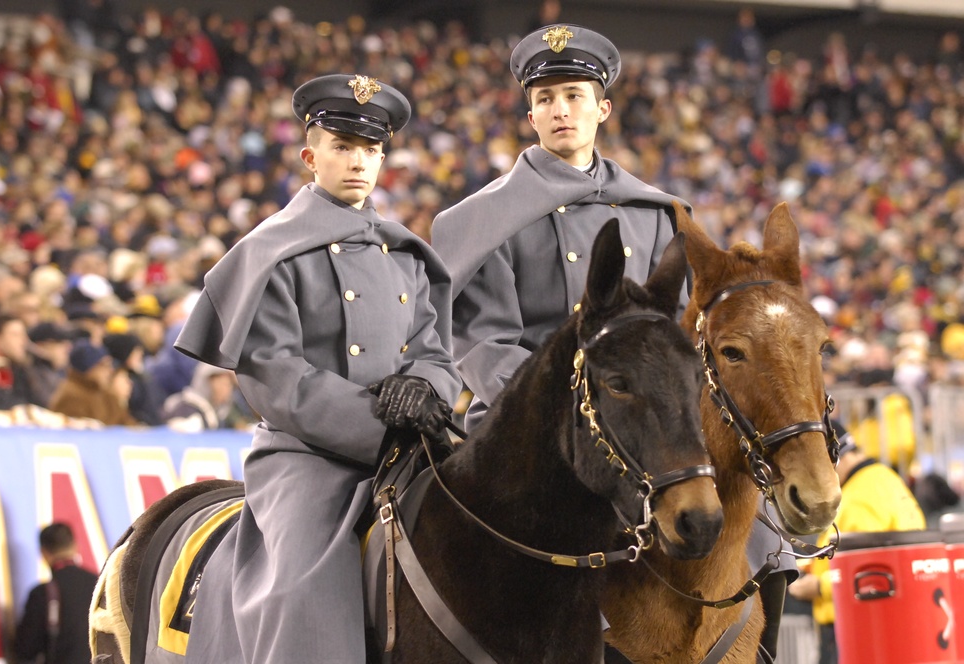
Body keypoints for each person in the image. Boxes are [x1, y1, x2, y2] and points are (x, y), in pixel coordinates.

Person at [431, 24, 793, 660]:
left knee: (761, 530)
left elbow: (680, 337)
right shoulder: (482, 220)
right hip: (535, 422)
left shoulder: (655, 211)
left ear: (602, 107)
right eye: (545, 99)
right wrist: (571, 403)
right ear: (530, 113)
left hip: (646, 414)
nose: (560, 110)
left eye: (573, 95)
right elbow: (485, 343)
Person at [174, 73, 461, 663]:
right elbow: (276, 378)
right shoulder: (271, 250)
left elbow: (436, 352)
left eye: (370, 149)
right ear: (311, 156)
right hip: (309, 456)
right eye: (342, 146)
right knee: (304, 588)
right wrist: (382, 425)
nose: (358, 161)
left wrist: (424, 389)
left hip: (415, 445)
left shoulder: (405, 253)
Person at [788, 422, 925, 664]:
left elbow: (868, 569)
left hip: (856, 623)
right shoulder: (884, 478)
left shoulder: (861, 496)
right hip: (888, 619)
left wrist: (819, 586)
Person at [14, 522, 98, 664]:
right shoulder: (99, 584)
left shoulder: (41, 594)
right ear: (75, 546)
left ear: (44, 553)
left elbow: (26, 649)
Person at [49, 338, 137, 426]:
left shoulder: (106, 395)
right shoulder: (71, 397)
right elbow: (74, 433)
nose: (109, 371)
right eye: (103, 365)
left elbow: (128, 424)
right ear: (88, 368)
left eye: (110, 365)